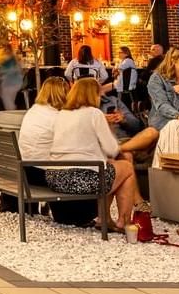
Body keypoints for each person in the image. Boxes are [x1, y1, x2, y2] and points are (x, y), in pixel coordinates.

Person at [49, 78, 138, 228]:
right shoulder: (94, 114)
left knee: (110, 167)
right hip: (82, 178)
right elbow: (112, 149)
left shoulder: (62, 114)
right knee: (127, 169)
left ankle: (106, 219)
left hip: (56, 177)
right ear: (93, 95)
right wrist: (108, 127)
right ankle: (124, 221)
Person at [16, 76, 71, 162]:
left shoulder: (34, 110)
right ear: (63, 94)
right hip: (43, 169)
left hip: (26, 164)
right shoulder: (57, 117)